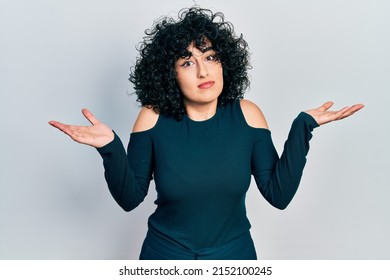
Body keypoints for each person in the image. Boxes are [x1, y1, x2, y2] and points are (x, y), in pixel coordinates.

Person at [49, 7, 364, 260]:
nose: (203, 71)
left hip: (234, 256)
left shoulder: (248, 113)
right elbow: (131, 198)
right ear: (169, 74)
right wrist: (110, 147)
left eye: (210, 57)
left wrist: (303, 127)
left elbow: (278, 195)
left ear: (224, 62)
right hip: (166, 256)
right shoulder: (153, 117)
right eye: (188, 62)